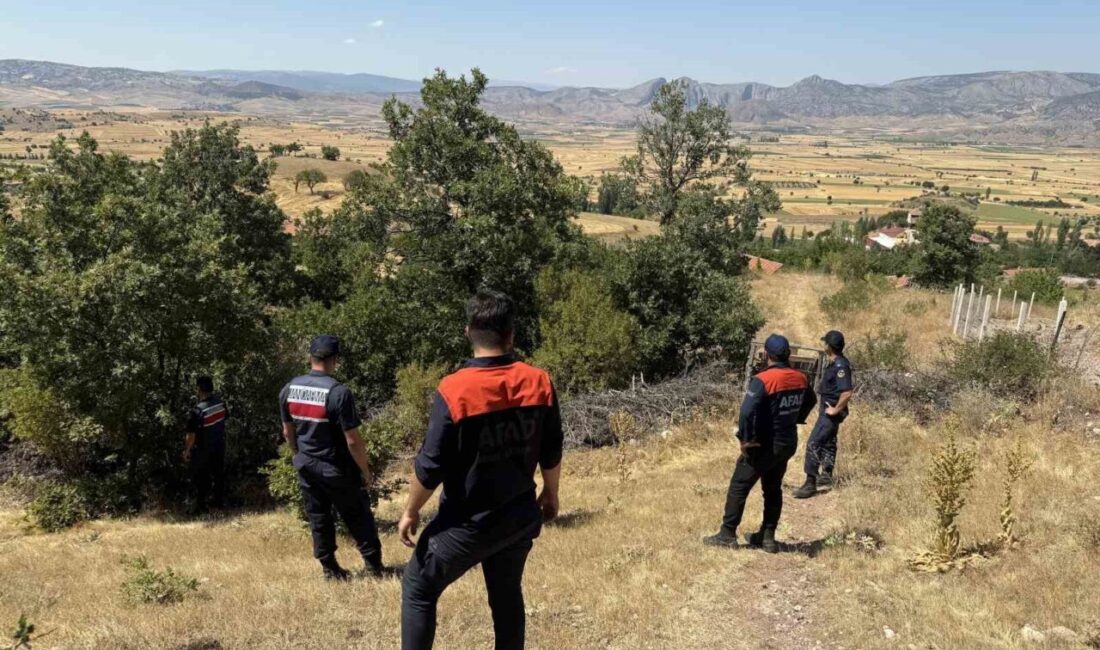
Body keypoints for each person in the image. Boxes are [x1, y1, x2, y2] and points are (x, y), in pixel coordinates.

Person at [399, 289, 563, 650]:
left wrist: (411, 511)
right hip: (519, 515)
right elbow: (551, 449)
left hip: (469, 523)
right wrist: (550, 493)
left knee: (417, 587)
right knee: (506, 596)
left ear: (467, 332)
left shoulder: (455, 390)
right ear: (512, 333)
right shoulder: (539, 381)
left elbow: (430, 467)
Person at [278, 335, 384, 580]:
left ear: (310, 359)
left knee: (318, 517)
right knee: (358, 515)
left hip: (306, 465)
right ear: (335, 360)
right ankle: (374, 567)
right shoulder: (339, 392)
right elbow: (353, 440)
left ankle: (330, 569)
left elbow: (287, 431)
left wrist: (297, 454)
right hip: (336, 467)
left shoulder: (289, 389)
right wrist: (365, 471)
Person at [704, 334, 816, 552]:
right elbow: (811, 400)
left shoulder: (764, 379)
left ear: (767, 355)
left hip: (764, 443)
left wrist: (745, 439)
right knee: (773, 488)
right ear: (787, 354)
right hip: (787, 441)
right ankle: (768, 537)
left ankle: (727, 534)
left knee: (739, 485)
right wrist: (798, 417)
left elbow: (746, 411)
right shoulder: (801, 377)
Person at [794, 330, 854, 499]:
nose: (823, 345)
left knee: (814, 443)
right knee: (829, 441)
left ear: (829, 346)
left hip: (830, 413)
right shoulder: (834, 362)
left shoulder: (840, 366)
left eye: (825, 343)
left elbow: (847, 392)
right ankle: (826, 474)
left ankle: (810, 483)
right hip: (828, 411)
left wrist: (835, 409)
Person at [183, 376, 228, 514]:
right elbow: (224, 419)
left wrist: (187, 450)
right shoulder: (221, 404)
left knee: (201, 479)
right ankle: (218, 505)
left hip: (203, 450)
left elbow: (191, 435)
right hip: (219, 446)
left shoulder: (198, 411)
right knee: (218, 476)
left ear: (199, 390)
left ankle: (200, 508)